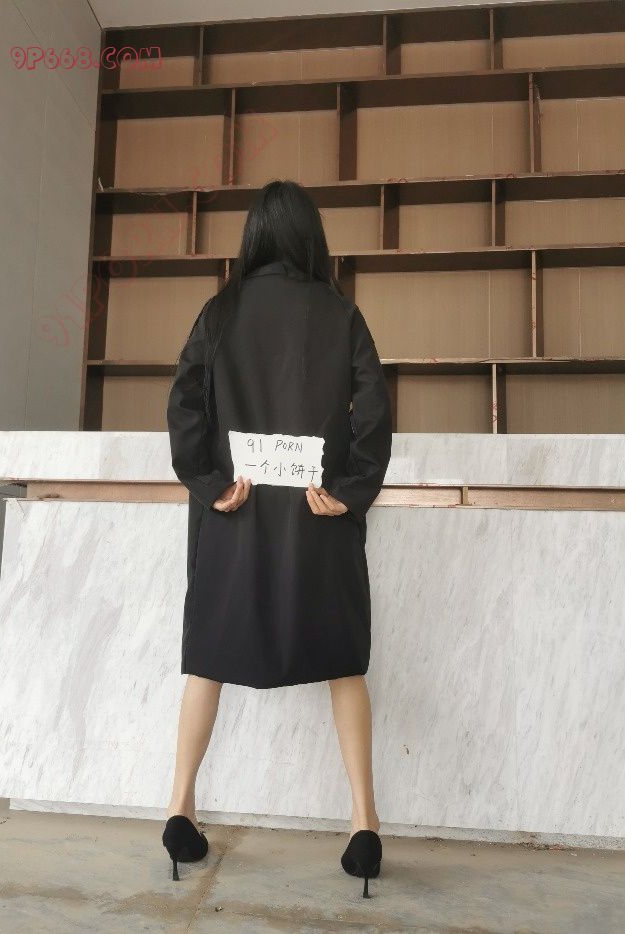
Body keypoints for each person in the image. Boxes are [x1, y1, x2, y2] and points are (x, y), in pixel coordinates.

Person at [163, 179, 393, 898]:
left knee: (208, 657)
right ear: (311, 237)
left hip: (237, 514)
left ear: (255, 236)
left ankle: (179, 808)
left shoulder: (219, 312)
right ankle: (364, 822)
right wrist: (351, 489)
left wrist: (209, 483)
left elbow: (184, 406)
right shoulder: (341, 312)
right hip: (317, 515)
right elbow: (374, 412)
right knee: (343, 659)